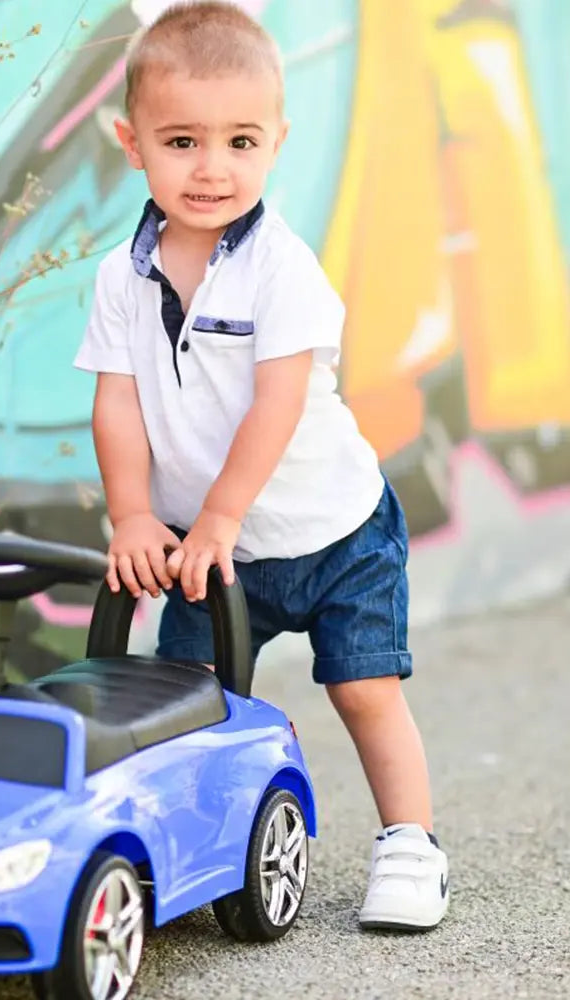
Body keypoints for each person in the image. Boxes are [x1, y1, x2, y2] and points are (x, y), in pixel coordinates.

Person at [73, 0, 449, 931]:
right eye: (183, 141)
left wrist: (220, 516)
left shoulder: (283, 270)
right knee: (200, 707)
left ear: (276, 141)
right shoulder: (121, 277)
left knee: (363, 686)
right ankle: (205, 846)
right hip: (212, 548)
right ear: (132, 144)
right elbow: (117, 399)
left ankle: (410, 845)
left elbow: (275, 406)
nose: (212, 168)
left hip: (331, 531)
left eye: (241, 141)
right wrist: (131, 514)